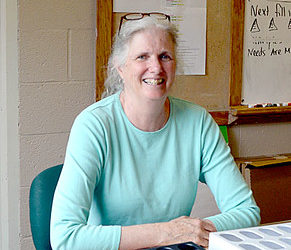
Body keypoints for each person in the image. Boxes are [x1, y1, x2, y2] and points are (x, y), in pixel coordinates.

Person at [50, 13, 260, 249]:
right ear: (120, 68)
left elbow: (247, 212)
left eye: (165, 56)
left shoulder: (198, 122)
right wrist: (168, 232)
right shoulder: (94, 125)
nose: (156, 67)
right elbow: (65, 237)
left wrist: (189, 231)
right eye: (142, 57)